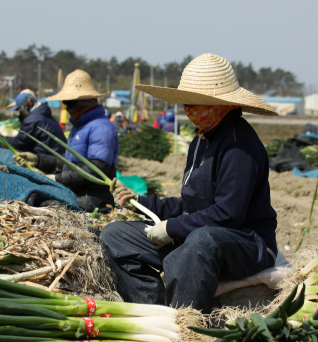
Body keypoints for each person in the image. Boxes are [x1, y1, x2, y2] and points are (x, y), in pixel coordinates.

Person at [99, 53, 279, 313]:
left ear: (222, 104)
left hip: (248, 242)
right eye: (186, 102)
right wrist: (140, 202)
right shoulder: (201, 140)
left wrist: (172, 227)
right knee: (115, 235)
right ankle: (153, 311)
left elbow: (228, 214)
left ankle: (187, 326)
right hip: (202, 233)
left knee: (200, 240)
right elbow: (190, 205)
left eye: (196, 102)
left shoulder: (240, 146)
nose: (188, 108)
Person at [46, 69, 118, 212]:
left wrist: (57, 179)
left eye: (71, 103)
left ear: (84, 102)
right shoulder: (79, 126)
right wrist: (38, 161)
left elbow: (94, 170)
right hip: (77, 193)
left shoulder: (101, 128)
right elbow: (68, 163)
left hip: (94, 200)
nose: (68, 109)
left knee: (46, 203)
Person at [7, 92, 67, 174]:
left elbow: (19, 143)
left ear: (28, 105)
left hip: (48, 161)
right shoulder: (44, 113)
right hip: (58, 158)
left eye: (19, 109)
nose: (20, 112)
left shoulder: (32, 119)